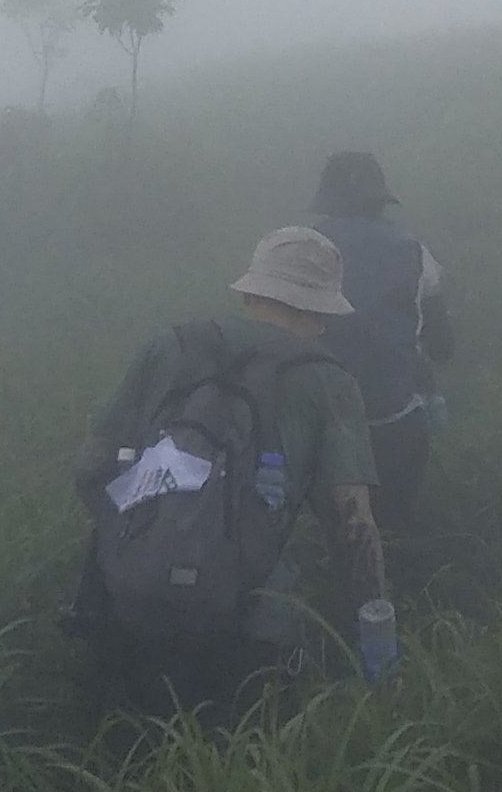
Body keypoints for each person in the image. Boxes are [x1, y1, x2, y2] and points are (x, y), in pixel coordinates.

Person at [68, 223, 395, 720]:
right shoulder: (327, 381)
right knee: (242, 756)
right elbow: (352, 526)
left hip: (127, 603)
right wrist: (375, 638)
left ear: (250, 292)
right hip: (253, 625)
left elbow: (90, 466)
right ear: (320, 311)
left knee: (124, 748)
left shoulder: (168, 346)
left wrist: (138, 545)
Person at [310, 151, 453, 530]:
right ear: (380, 201)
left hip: (317, 429)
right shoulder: (414, 250)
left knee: (326, 533)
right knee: (392, 529)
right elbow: (442, 347)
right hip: (394, 427)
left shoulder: (303, 250)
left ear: (327, 203)